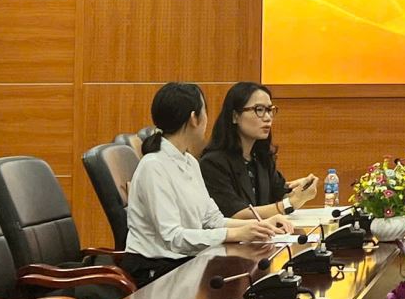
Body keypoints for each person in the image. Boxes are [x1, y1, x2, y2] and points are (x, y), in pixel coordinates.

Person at [124, 82, 293, 286]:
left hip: (185, 261)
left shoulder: (189, 162)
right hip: (157, 269)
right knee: (237, 281)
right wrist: (235, 233)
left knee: (248, 273)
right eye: (204, 112)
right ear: (194, 118)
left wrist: (260, 226)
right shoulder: (154, 166)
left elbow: (212, 219)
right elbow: (173, 238)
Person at [200, 82, 318, 218]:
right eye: (259, 110)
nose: (267, 118)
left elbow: (279, 197)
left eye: (270, 110)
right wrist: (292, 202)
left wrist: (301, 191)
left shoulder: (261, 158)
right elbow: (234, 213)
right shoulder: (212, 163)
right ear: (235, 116)